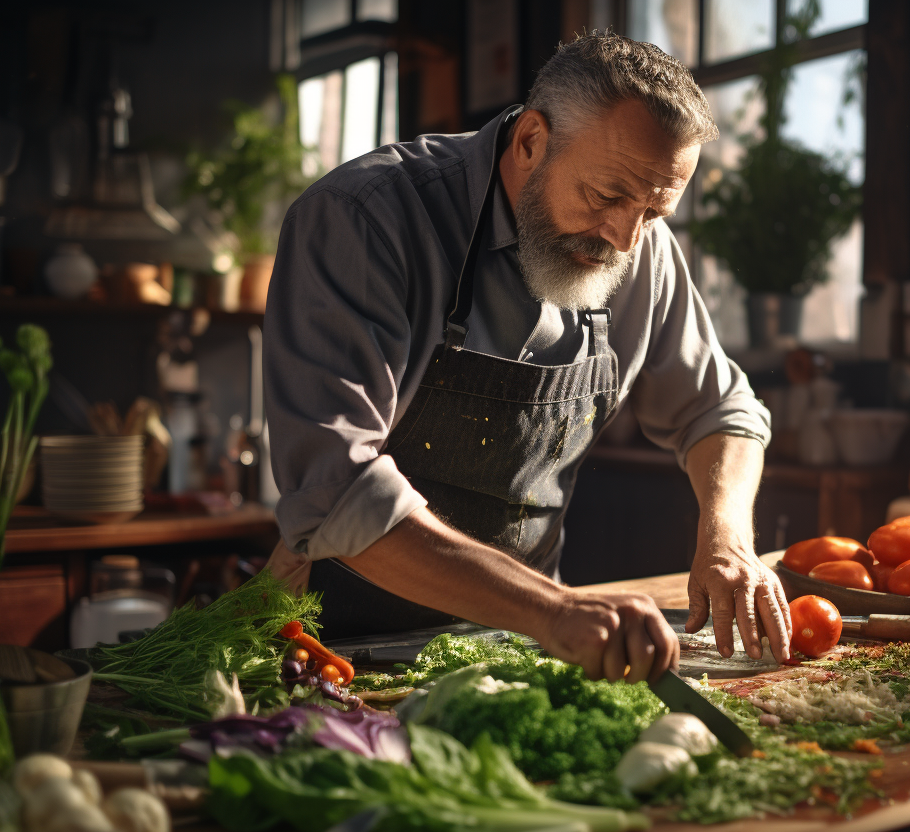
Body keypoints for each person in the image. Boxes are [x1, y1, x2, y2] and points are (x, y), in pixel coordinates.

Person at [264, 33, 791, 683]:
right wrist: (553, 609)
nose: (625, 240)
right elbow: (335, 491)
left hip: (520, 647)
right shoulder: (362, 219)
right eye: (606, 196)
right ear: (531, 141)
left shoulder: (638, 244)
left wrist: (728, 538)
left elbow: (721, 409)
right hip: (331, 648)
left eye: (655, 212)